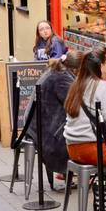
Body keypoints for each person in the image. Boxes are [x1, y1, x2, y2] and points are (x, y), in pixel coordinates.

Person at [64, 46, 106, 169]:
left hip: (72, 147)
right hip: (93, 149)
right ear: (101, 66)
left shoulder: (77, 84)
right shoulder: (102, 86)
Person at [37, 49, 81, 190]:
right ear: (76, 69)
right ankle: (79, 169)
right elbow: (74, 105)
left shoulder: (57, 69)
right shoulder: (62, 77)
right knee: (81, 130)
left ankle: (69, 171)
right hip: (47, 130)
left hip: (38, 123)